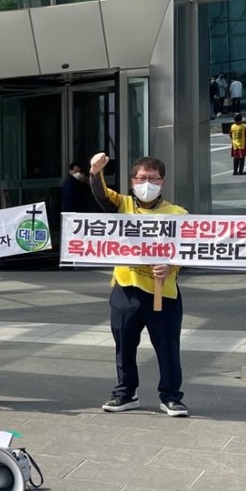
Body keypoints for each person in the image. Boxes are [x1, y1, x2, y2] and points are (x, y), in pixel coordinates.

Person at [88, 152, 189, 417]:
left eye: (153, 178)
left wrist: (170, 265)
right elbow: (101, 194)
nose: (147, 183)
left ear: (162, 183)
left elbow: (189, 250)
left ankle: (171, 396)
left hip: (162, 293)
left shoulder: (178, 214)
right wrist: (95, 171)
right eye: (142, 178)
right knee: (124, 343)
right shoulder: (123, 205)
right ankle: (125, 392)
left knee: (167, 345)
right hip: (126, 287)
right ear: (132, 181)